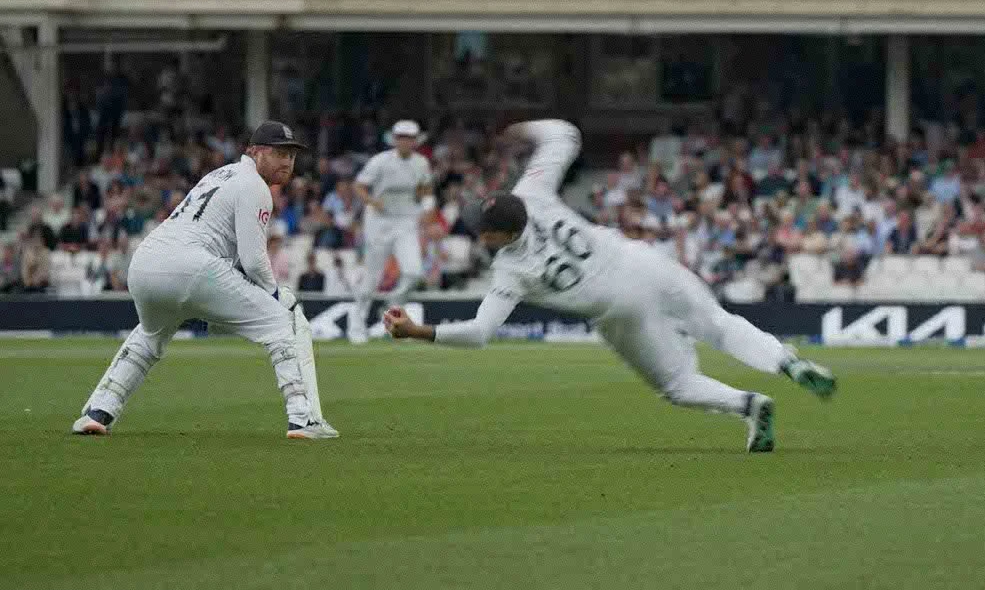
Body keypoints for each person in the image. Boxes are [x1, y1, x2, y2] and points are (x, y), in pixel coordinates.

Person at [383, 120, 837, 452]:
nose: (479, 236)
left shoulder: (511, 270)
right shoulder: (532, 193)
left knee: (678, 383)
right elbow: (564, 135)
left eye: (484, 231)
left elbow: (480, 333)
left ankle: (749, 405)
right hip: (643, 262)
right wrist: (523, 129)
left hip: (619, 307)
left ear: (500, 234)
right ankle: (786, 360)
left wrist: (418, 331)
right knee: (718, 322)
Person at [70, 121, 335, 439]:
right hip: (192, 267)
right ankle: (303, 419)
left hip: (145, 265)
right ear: (254, 152)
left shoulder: (220, 175)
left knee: (149, 337)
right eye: (279, 153)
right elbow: (253, 260)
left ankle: (98, 411)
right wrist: (275, 296)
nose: (287, 162)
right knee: (280, 322)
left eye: (291, 155)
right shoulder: (255, 186)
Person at [347, 119, 433, 344]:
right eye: (401, 137)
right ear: (395, 140)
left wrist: (425, 207)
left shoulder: (421, 163)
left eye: (410, 138)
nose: (405, 142)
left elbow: (425, 189)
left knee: (414, 272)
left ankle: (393, 303)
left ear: (416, 141)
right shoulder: (380, 161)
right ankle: (357, 325)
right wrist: (373, 202)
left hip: (406, 222)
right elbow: (359, 186)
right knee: (372, 277)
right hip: (379, 222)